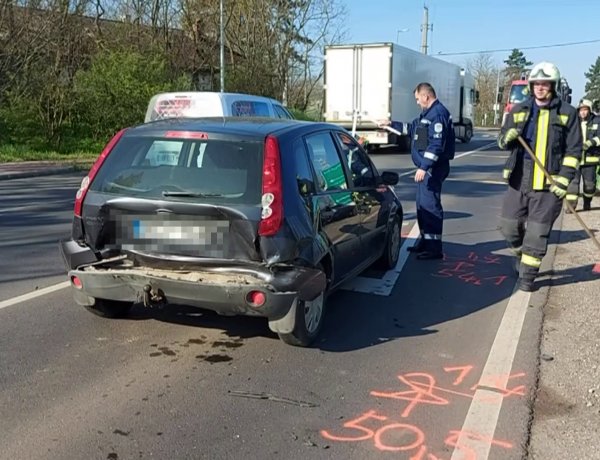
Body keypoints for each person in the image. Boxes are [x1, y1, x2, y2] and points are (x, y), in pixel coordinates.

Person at [497, 61, 582, 292]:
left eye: (545, 84)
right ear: (531, 85)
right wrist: (509, 136)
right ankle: (521, 256)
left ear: (553, 86)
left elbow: (574, 151)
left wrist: (564, 180)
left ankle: (527, 278)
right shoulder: (519, 110)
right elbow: (502, 141)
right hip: (519, 180)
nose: (540, 88)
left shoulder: (567, 113)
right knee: (508, 226)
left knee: (536, 235)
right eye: (537, 84)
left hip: (548, 184)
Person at [378, 82, 455, 260]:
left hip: (433, 169)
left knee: (430, 206)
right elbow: (411, 129)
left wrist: (424, 167)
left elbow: (436, 145)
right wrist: (390, 124)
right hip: (426, 169)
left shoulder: (438, 115)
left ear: (425, 96)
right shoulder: (426, 114)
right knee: (422, 205)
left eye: (417, 99)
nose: (417, 103)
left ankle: (434, 247)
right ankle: (425, 240)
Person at [565, 98, 600, 212]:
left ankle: (587, 203)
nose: (583, 112)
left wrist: (591, 142)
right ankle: (571, 207)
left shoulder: (597, 121)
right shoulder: (573, 121)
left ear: (589, 110)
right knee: (572, 185)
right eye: (581, 110)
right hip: (575, 159)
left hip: (590, 159)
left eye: (585, 110)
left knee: (589, 186)